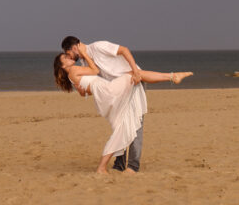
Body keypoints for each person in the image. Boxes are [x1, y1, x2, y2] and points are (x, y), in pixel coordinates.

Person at [54, 36, 192, 174]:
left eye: (67, 54)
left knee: (133, 123)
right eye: (66, 57)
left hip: (130, 82)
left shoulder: (98, 47)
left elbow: (124, 50)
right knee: (121, 126)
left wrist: (137, 72)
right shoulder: (82, 64)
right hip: (114, 90)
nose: (69, 56)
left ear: (73, 48)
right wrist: (86, 89)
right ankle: (118, 164)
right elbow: (91, 80)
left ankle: (132, 166)